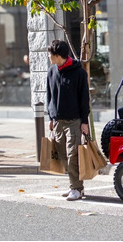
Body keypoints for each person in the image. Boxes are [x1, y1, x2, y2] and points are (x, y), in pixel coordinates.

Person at [47, 40, 90, 201]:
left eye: (51, 55)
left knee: (73, 154)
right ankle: (74, 184)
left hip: (74, 120)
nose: (49, 57)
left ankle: (77, 188)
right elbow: (49, 95)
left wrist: (84, 121)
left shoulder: (79, 73)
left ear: (58, 56)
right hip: (58, 120)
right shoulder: (52, 71)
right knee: (63, 154)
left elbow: (84, 99)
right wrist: (50, 117)